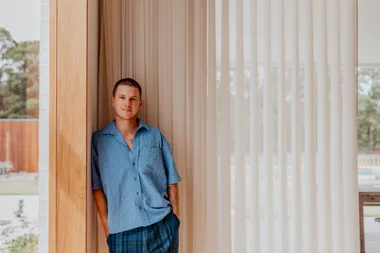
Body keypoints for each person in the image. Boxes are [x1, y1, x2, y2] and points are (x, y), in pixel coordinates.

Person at [91, 78, 181, 253]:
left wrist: (175, 218)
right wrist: (106, 225)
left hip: (162, 224)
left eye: (133, 99)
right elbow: (97, 186)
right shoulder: (98, 141)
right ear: (112, 101)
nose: (127, 103)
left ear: (140, 103)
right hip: (122, 231)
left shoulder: (154, 135)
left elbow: (172, 178)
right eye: (122, 97)